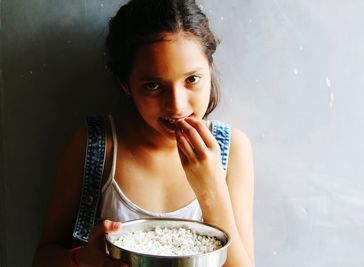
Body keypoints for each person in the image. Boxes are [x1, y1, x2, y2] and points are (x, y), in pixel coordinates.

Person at [32, 0, 254, 266]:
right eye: (153, 86)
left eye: (192, 79)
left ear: (209, 68)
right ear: (125, 84)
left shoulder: (232, 149)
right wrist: (84, 260)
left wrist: (211, 188)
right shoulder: (97, 145)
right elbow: (42, 258)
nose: (177, 105)